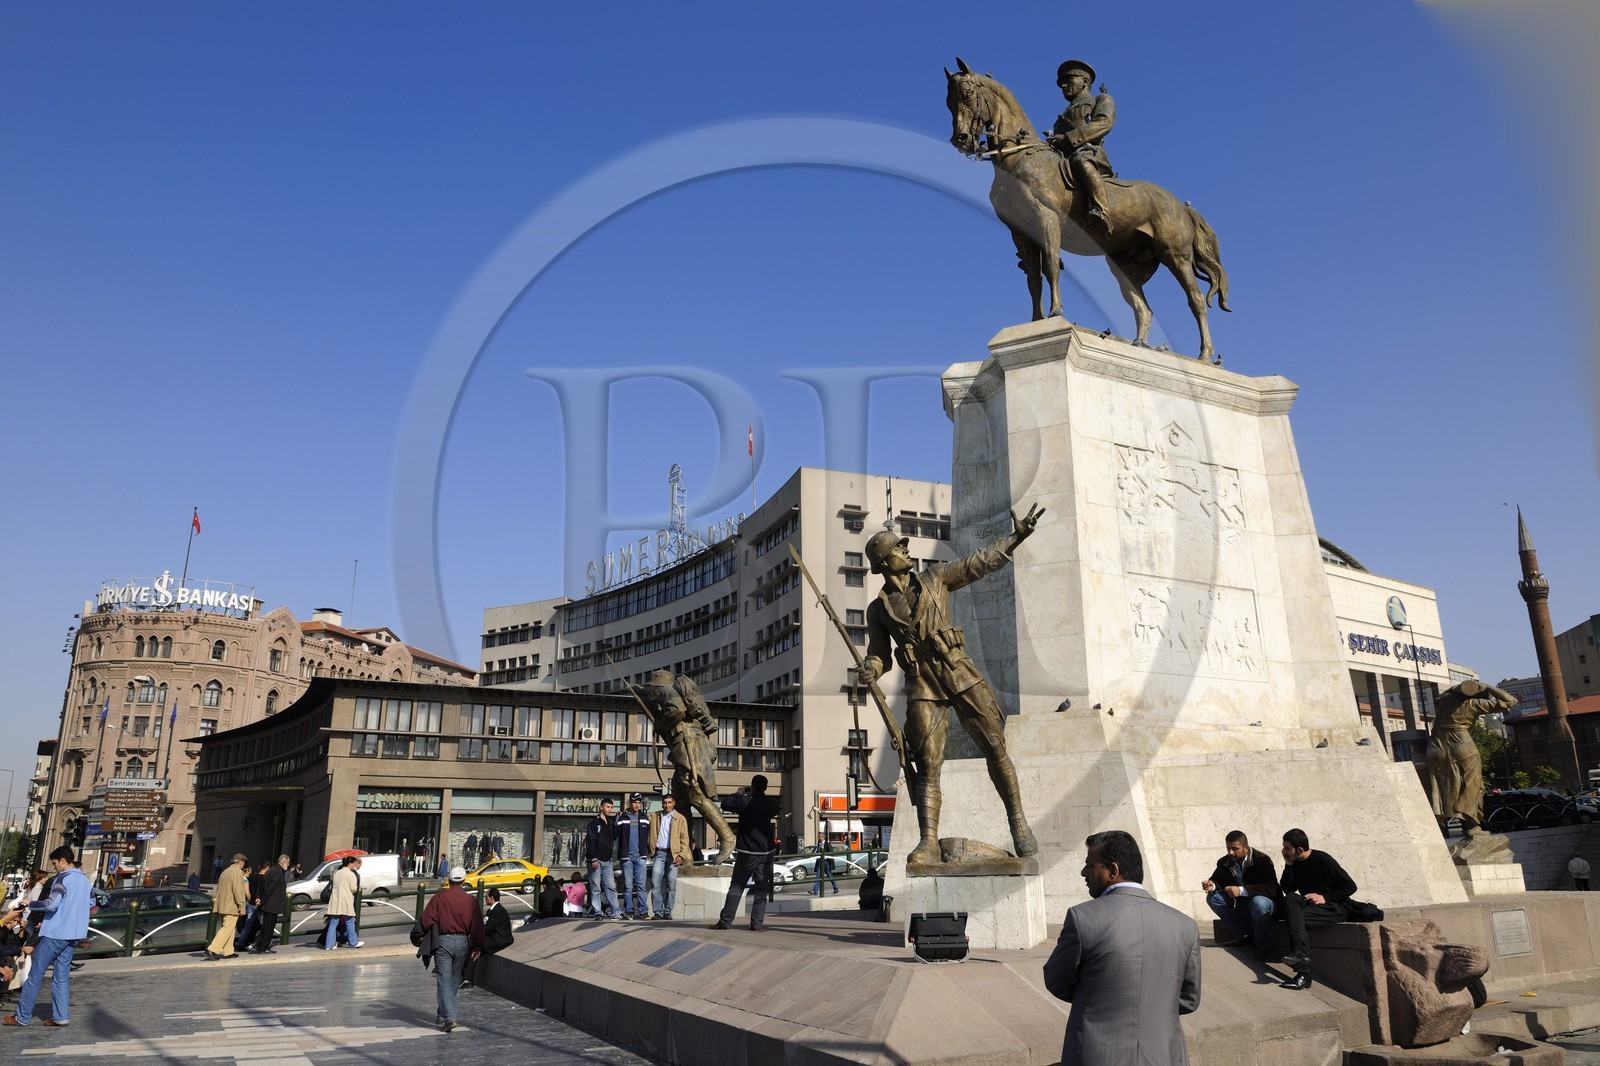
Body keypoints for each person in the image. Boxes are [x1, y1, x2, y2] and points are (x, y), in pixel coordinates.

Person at [858, 505, 1044, 865]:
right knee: (927, 763)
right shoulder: (878, 609)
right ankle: (928, 841)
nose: (906, 549)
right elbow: (879, 653)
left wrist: (1016, 537)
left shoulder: (936, 577)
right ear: (883, 562)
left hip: (958, 671)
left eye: (903, 545)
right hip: (922, 685)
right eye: (898, 547)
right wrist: (870, 668)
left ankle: (1018, 823)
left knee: (994, 746)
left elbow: (979, 563)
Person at [1042, 831, 1201, 1065]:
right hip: (1164, 1056)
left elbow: (1057, 980)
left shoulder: (1082, 918)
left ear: (1113, 870)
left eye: (1090, 865)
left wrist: (1095, 996)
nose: (1084, 872)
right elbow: (1189, 999)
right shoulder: (1185, 925)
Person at [631, 671, 738, 861]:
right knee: (680, 801)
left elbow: (677, 710)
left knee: (696, 794)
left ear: (658, 687)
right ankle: (685, 853)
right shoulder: (666, 695)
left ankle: (727, 837)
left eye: (652, 690)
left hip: (688, 745)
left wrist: (660, 724)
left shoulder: (668, 691)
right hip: (684, 746)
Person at [3, 847, 91, 1028]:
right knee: (61, 976)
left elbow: (51, 904)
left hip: (56, 933)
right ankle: (61, 1017)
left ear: (62, 861)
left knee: (35, 975)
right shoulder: (84, 880)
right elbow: (91, 902)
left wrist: (30, 903)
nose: (54, 867)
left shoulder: (62, 878)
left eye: (55, 863)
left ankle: (22, 1017)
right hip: (74, 933)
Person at [1426, 681, 1517, 838]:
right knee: (1472, 784)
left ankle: (1434, 824)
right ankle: (1472, 826)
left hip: (1436, 746)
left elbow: (1437, 699)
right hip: (1461, 744)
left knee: (1439, 786)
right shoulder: (1474, 703)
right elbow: (1511, 701)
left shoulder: (1445, 700)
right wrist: (1487, 687)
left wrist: (1456, 688)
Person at [1277, 828, 1357, 991]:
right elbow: (1287, 888)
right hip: (1312, 906)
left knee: (1296, 919)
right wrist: (1289, 865)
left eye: (1287, 848)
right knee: (1291, 898)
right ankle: (1300, 956)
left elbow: (1350, 886)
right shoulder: (1295, 863)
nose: (1283, 851)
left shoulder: (1322, 859)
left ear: (1300, 849)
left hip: (1335, 906)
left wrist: (1325, 897)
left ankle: (1303, 973)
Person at [1046, 59, 1116, 235]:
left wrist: (1069, 138)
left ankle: (1102, 211)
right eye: (1062, 83)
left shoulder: (1101, 99)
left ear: (1084, 82)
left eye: (1068, 80)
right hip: (1064, 158)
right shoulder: (1063, 114)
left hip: (1090, 153)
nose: (1063, 86)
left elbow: (1104, 123)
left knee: (1081, 160)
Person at [709, 775, 779, 931]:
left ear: (752, 786)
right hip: (766, 852)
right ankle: (757, 924)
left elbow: (725, 804)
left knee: (736, 887)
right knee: (761, 890)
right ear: (765, 788)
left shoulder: (745, 801)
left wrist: (739, 793)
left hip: (747, 852)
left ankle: (725, 922)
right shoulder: (771, 804)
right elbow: (772, 809)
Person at [419, 866, 484, 1033]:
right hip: (463, 942)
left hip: (443, 941)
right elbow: (477, 925)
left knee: (444, 980)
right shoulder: (470, 900)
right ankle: (443, 1014)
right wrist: (477, 945)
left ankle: (450, 1017)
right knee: (454, 979)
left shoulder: (439, 898)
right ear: (464, 881)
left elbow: (426, 920)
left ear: (448, 880)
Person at [1200, 830, 1279, 959]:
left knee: (1258, 902)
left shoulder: (1262, 860)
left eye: (1235, 849)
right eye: (1228, 848)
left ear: (1246, 848)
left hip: (1265, 905)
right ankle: (1244, 935)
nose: (1231, 852)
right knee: (1213, 898)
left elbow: (1271, 888)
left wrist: (1242, 890)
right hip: (1243, 905)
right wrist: (1212, 885)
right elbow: (1218, 880)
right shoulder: (1224, 862)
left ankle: (1263, 947)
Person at [648, 793, 691, 919]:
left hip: (674, 855)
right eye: (665, 803)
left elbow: (685, 839)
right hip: (659, 854)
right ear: (662, 804)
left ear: (673, 803)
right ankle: (657, 912)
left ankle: (667, 911)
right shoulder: (655, 816)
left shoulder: (680, 818)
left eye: (669, 803)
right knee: (655, 883)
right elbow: (641, 818)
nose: (667, 805)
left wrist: (681, 855)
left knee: (671, 885)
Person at [464, 887, 513, 989]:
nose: (485, 899)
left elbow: (487, 928)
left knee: (474, 947)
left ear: (492, 898)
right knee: (474, 947)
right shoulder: (493, 910)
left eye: (486, 897)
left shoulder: (498, 910)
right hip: (493, 937)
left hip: (499, 939)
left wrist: (476, 938)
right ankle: (466, 977)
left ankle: (467, 978)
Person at [205, 853, 249, 961]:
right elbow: (238, 890)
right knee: (227, 928)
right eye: (243, 862)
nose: (244, 864)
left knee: (229, 928)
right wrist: (241, 905)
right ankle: (212, 949)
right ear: (240, 862)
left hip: (222, 904)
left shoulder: (225, 871)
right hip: (231, 905)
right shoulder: (237, 872)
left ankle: (229, 951)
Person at [615, 793, 651, 919]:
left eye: (639, 802)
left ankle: (643, 912)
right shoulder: (622, 817)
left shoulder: (644, 817)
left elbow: (649, 835)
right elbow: (615, 833)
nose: (637, 804)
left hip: (640, 856)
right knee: (628, 886)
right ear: (629, 802)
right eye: (635, 802)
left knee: (641, 886)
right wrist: (616, 818)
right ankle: (629, 911)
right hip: (626, 857)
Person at [584, 799, 621, 919]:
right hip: (596, 860)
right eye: (608, 807)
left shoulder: (609, 823)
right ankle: (597, 912)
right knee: (596, 888)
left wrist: (616, 820)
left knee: (611, 887)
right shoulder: (594, 823)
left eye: (611, 807)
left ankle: (616, 912)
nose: (610, 809)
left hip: (607, 861)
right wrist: (593, 859)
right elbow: (590, 841)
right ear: (601, 807)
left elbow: (614, 836)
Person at [322, 856, 364, 950]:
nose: (354, 866)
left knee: (333, 923)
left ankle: (329, 945)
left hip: (335, 900)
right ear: (350, 863)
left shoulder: (337, 873)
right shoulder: (350, 874)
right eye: (353, 864)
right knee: (350, 922)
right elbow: (353, 888)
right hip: (345, 900)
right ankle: (353, 942)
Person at [251, 854, 289, 953]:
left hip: (269, 904)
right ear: (283, 862)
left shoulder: (272, 870)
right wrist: (262, 900)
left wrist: (259, 897)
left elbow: (262, 884)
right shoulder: (278, 872)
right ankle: (263, 947)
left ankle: (261, 945)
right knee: (269, 927)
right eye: (287, 862)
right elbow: (270, 888)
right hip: (272, 904)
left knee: (267, 926)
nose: (288, 865)